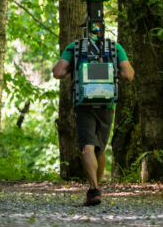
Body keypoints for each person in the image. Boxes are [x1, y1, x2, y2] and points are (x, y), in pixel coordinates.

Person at [53, 39, 134, 206]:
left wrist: (74, 69)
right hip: (107, 102)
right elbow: (129, 75)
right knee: (100, 148)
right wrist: (110, 72)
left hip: (83, 103)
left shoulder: (74, 47)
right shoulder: (114, 47)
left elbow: (58, 72)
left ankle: (94, 189)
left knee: (87, 145)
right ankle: (96, 189)